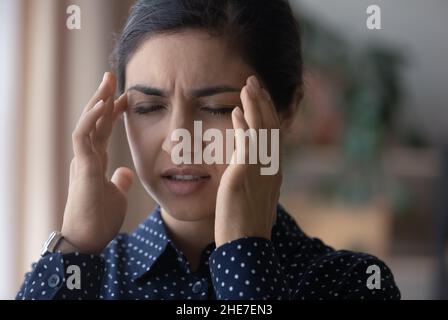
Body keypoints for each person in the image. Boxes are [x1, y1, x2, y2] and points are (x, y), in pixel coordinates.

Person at [16, 0, 400, 300]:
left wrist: (244, 256)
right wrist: (75, 245)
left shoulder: (353, 283)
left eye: (217, 108)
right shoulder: (87, 276)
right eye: (148, 108)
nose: (178, 139)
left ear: (287, 110)